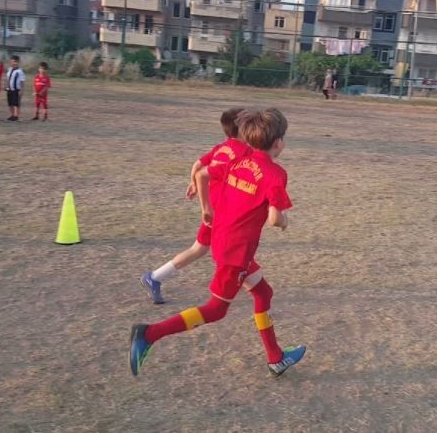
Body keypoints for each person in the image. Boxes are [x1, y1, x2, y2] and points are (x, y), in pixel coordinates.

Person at [129, 108, 305, 377]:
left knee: (263, 293)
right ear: (278, 142)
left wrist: (206, 209)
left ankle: (275, 357)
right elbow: (274, 219)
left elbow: (201, 174)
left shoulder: (238, 160)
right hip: (236, 253)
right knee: (216, 310)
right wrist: (284, 222)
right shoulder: (275, 174)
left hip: (223, 238)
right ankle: (149, 334)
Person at [140, 107, 249, 304]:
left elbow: (197, 166)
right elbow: (201, 172)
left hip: (218, 209)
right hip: (221, 212)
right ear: (242, 129)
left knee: (201, 249)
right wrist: (205, 207)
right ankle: (155, 277)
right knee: (227, 247)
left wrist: (193, 184)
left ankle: (155, 277)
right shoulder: (242, 153)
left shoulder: (221, 148)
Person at [5, 55, 25, 122]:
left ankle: (16, 116)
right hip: (9, 89)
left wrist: (21, 90)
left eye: (16, 62)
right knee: (10, 103)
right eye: (13, 61)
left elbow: (22, 81)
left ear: (18, 62)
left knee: (16, 103)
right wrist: (6, 86)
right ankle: (12, 115)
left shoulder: (20, 71)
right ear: (11, 62)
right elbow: (8, 79)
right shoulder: (10, 69)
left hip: (16, 89)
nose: (14, 63)